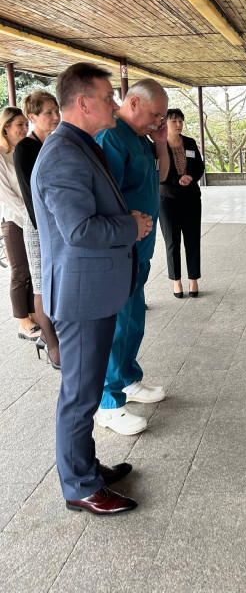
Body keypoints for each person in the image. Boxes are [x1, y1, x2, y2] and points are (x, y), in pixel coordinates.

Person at [32, 62, 153, 515]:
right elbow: (79, 230)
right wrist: (131, 226)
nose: (115, 105)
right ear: (83, 103)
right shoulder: (63, 154)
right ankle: (80, 486)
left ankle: (86, 467)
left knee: (83, 390)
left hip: (93, 290)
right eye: (107, 97)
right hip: (81, 296)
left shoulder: (80, 146)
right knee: (80, 396)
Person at [95, 79, 169, 436]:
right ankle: (108, 403)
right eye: (155, 115)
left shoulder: (141, 137)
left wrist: (160, 142)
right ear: (134, 102)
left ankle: (127, 378)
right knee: (118, 322)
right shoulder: (111, 137)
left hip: (141, 247)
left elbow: (161, 177)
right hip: (122, 248)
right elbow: (106, 199)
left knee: (134, 317)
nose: (158, 122)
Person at [14, 90, 61, 368]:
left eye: (57, 110)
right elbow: (31, 197)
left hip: (59, 220)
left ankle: (55, 336)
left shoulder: (55, 142)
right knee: (42, 286)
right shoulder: (25, 148)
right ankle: (52, 346)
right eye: (48, 112)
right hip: (38, 224)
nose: (56, 116)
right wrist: (49, 229)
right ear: (32, 117)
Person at [0, 106, 39, 341]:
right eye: (19, 125)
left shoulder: (23, 151)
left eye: (26, 124)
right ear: (6, 127)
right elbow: (8, 196)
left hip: (33, 219)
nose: (25, 129)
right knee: (20, 272)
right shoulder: (1, 156)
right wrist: (32, 218)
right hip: (14, 221)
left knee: (34, 271)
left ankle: (34, 315)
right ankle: (23, 323)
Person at [159, 108, 205, 299]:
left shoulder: (190, 142)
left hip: (191, 198)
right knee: (172, 242)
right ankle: (176, 281)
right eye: (174, 121)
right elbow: (156, 172)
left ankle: (193, 279)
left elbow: (199, 166)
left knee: (192, 240)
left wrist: (191, 177)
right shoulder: (158, 145)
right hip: (168, 199)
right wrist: (176, 180)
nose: (178, 124)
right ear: (165, 123)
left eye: (180, 121)